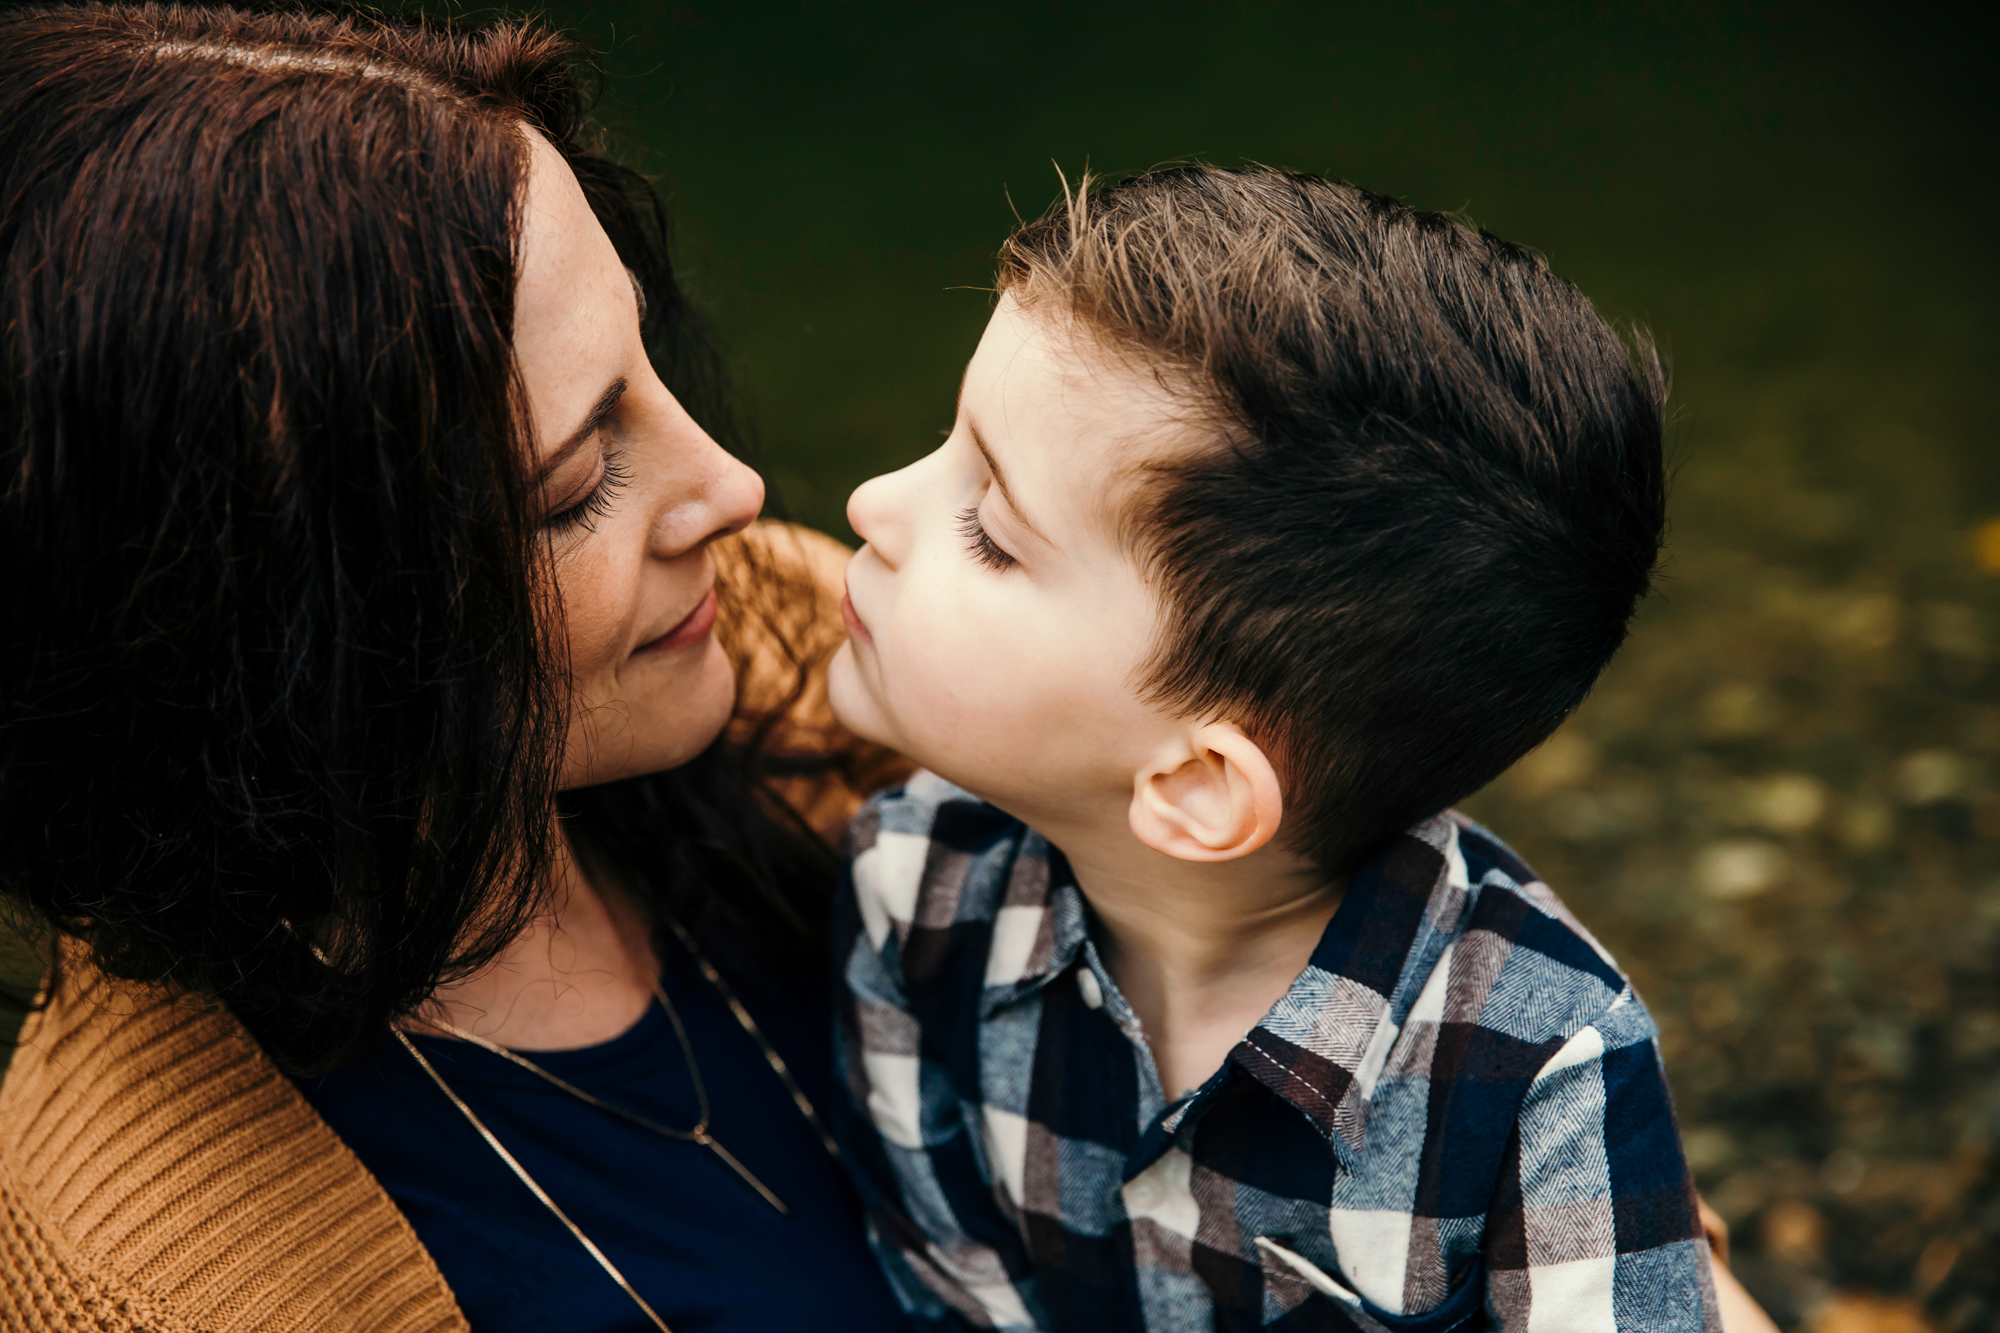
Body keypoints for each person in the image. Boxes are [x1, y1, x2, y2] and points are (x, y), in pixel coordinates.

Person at [0, 6, 908, 1330]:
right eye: (578, 482)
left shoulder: (781, 641)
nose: (732, 486)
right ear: (267, 632)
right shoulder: (166, 1282)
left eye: (646, 356)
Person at [826, 167, 1723, 1331]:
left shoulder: (1537, 1062)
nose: (867, 502)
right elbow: (951, 1298)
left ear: (1194, 785)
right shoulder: (909, 892)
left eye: (990, 533)